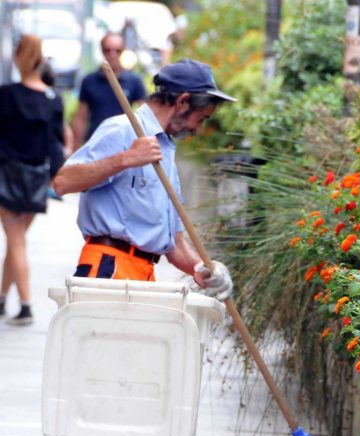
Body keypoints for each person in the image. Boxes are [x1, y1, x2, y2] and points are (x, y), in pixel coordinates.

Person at [54, 59, 235, 300]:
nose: (198, 130)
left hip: (145, 275)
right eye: (201, 119)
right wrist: (126, 158)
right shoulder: (122, 129)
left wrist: (201, 268)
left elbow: (175, 242)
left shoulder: (164, 150)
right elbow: (63, 182)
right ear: (182, 102)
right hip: (108, 269)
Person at [0, 35, 65, 326]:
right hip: (37, 176)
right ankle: (2, 300)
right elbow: (56, 144)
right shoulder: (53, 99)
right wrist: (57, 177)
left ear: (18, 57)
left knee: (16, 243)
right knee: (18, 242)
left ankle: (26, 305)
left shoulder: (7, 94)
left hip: (7, 173)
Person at [71, 32, 146, 150]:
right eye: (108, 50)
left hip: (124, 145)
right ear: (102, 51)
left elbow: (145, 115)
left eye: (118, 51)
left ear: (123, 51)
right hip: (96, 143)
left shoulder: (134, 81)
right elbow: (81, 117)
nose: (113, 55)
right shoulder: (89, 80)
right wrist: (75, 149)